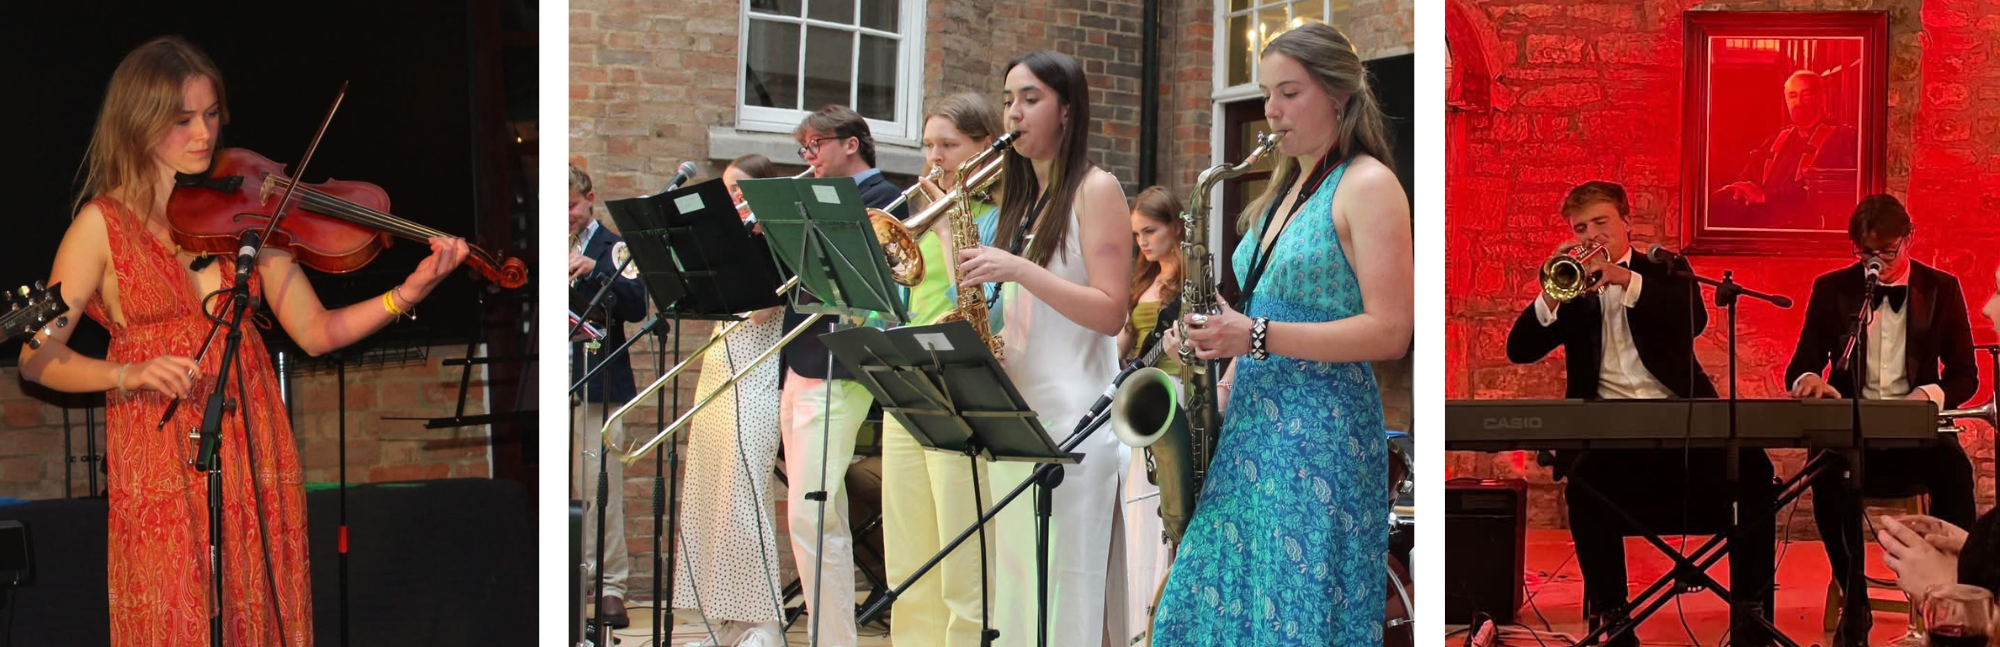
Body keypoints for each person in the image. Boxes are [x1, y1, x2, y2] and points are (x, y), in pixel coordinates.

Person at [19, 36, 469, 646]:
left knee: (256, 613)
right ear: (138, 122)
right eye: (182, 120)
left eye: (211, 114)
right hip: (159, 451)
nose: (204, 134)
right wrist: (127, 373)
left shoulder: (248, 212)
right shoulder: (101, 225)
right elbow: (37, 357)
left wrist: (406, 295)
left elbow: (317, 331)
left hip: (253, 439)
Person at [1153, 22, 1413, 646]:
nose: (1271, 109)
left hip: (1319, 436)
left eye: (1290, 92)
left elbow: (1391, 331)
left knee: (1293, 621)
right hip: (1251, 427)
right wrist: (1211, 342)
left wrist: (1254, 335)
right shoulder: (1281, 192)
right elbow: (1260, 314)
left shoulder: (1367, 183)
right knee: (1198, 613)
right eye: (1267, 93)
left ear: (1339, 96)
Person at [1502, 180, 1775, 646]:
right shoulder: (1572, 287)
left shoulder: (1664, 268)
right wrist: (1551, 296)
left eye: (1601, 222)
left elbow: (1694, 319)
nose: (1592, 234)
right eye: (1581, 228)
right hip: (1610, 437)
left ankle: (1751, 617)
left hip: (1684, 427)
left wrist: (1624, 279)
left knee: (1754, 470)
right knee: (1583, 487)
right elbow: (1519, 349)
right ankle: (1615, 618)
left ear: (1627, 222)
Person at [958, 50, 1131, 646]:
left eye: (1031, 99)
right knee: (1019, 583)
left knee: (1067, 588)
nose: (1013, 112)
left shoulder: (1096, 188)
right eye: (1009, 99)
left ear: (1067, 109)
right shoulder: (1025, 196)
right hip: (1020, 412)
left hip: (1076, 418)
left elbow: (1111, 311)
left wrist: (1018, 270)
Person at [1784, 194, 1978, 647]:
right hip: (1854, 435)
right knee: (1824, 475)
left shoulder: (1941, 288)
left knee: (1956, 472)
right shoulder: (1832, 289)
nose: (1877, 263)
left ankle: (1953, 598)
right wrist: (1810, 381)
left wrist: (1927, 396)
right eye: (1866, 253)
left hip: (1916, 437)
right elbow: (1801, 365)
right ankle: (1855, 600)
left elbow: (1965, 374)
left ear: (1909, 239)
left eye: (1888, 252)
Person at [878, 92, 1008, 647]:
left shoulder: (1001, 216)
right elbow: (906, 301)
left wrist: (947, 231)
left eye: (949, 145)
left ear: (986, 147)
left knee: (962, 550)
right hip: (907, 371)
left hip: (959, 379)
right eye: (929, 145)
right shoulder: (921, 216)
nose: (935, 158)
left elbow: (992, 311)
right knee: (909, 554)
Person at [781, 104, 908, 646]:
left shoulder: (887, 198)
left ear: (851, 143)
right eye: (804, 148)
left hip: (841, 366)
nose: (808, 157)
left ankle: (830, 638)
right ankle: (829, 635)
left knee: (812, 511)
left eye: (816, 145)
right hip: (801, 358)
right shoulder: (810, 197)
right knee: (812, 511)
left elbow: (878, 285)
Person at [672, 154, 789, 647]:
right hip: (719, 367)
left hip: (757, 376)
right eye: (727, 189)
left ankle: (766, 623)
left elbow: (761, 311)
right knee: (710, 495)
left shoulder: (772, 241)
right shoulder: (729, 242)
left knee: (744, 499)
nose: (732, 198)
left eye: (740, 190)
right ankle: (727, 618)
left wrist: (739, 244)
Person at [567, 162, 650, 629]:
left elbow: (637, 306)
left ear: (590, 199)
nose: (566, 217)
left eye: (572, 207)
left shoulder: (614, 246)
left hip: (598, 380)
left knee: (601, 488)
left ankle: (609, 585)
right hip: (557, 378)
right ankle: (568, 584)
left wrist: (597, 270)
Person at [1113, 185, 1186, 647]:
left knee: (1159, 505)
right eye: (1136, 234)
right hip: (1140, 398)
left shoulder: (1191, 284)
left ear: (1176, 226)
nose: (1142, 242)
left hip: (1172, 396)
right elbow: (1124, 343)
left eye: (1150, 231)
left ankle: (1159, 612)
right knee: (1134, 504)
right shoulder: (1142, 282)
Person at [1712, 70, 1860, 230]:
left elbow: (1826, 198)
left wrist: (1765, 197)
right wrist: (1741, 189)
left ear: (1822, 98)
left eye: (1806, 95)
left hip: (1804, 229)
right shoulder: (1776, 140)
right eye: (1792, 96)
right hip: (1763, 224)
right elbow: (1748, 176)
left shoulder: (1844, 139)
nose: (1799, 103)